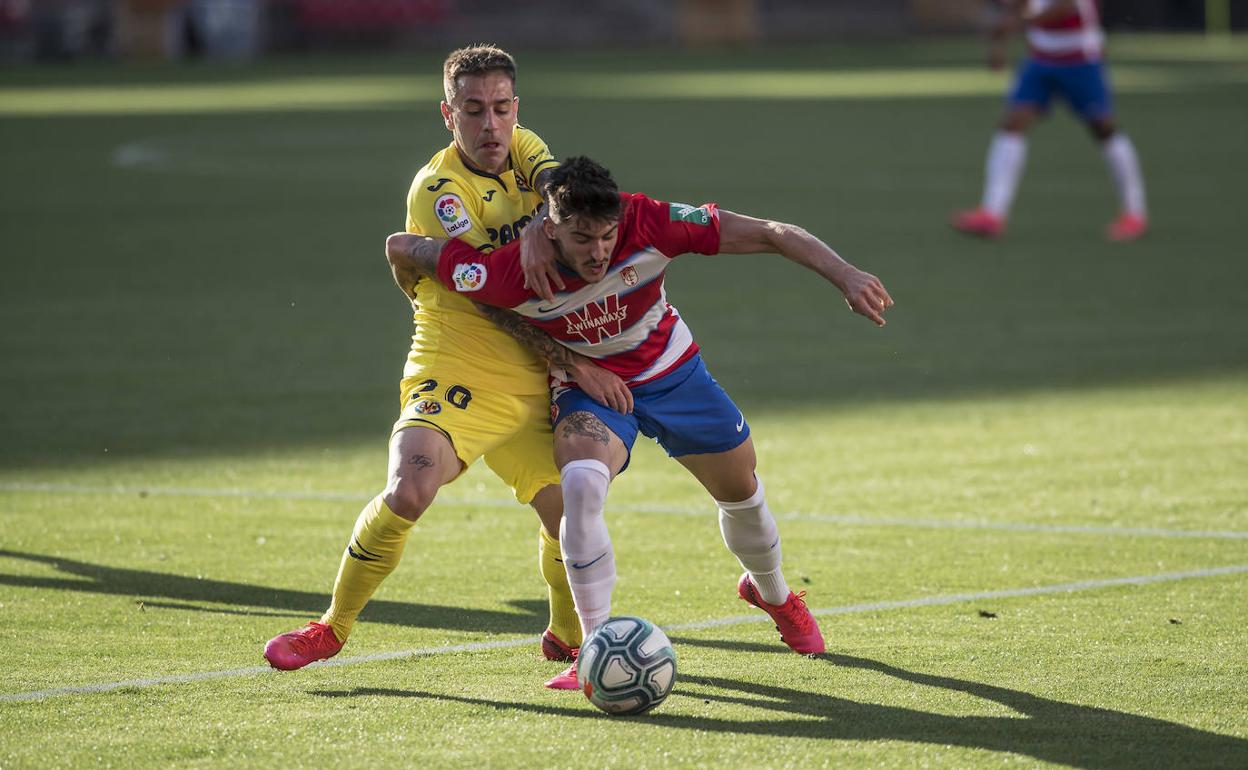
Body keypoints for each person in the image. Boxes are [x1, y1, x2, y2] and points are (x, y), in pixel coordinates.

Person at [385, 156, 894, 689]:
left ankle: (773, 593)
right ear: (551, 228)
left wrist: (846, 275)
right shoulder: (509, 271)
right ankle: (596, 647)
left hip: (674, 374)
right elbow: (405, 247)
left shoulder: (650, 221)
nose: (598, 252)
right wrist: (414, 286)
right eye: (581, 238)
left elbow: (773, 233)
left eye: (606, 236)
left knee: (742, 493)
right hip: (590, 391)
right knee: (579, 483)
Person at [263, 46, 629, 671]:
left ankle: (570, 639)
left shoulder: (522, 147)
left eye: (502, 108)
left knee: (569, 513)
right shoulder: (440, 191)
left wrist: (548, 217)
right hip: (456, 366)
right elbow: (490, 295)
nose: (491, 125)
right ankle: (331, 626)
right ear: (447, 114)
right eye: (473, 110)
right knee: (410, 489)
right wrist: (579, 364)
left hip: (533, 380)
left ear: (516, 109)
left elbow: (553, 182)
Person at [951, 0, 1148, 241]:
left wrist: (1017, 23)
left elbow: (1066, 7)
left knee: (1103, 127)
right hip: (1042, 58)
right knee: (1013, 123)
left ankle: (1134, 212)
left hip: (1080, 59)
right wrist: (999, 44)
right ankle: (992, 213)